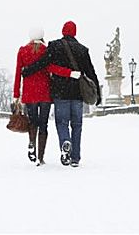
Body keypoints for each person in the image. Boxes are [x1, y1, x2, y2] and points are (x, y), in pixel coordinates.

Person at [22, 21, 101, 168]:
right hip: (78, 93)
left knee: (62, 123)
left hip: (60, 93)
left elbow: (43, 63)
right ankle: (75, 158)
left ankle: (65, 142)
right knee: (77, 125)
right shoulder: (83, 50)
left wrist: (28, 71)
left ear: (63, 31)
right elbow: (91, 72)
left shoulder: (55, 46)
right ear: (75, 33)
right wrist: (98, 93)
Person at [13, 27, 79, 166]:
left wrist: (16, 94)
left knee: (32, 122)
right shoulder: (46, 50)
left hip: (29, 93)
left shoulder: (23, 51)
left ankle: (32, 142)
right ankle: (40, 158)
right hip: (44, 93)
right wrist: (70, 73)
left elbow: (18, 72)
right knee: (43, 125)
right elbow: (51, 68)